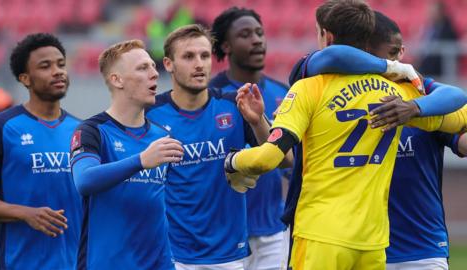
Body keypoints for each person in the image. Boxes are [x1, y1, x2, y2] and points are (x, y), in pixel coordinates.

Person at [223, 1, 466, 269]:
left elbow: (268, 158)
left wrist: (234, 162)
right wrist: (415, 104)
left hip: (319, 235)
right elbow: (460, 110)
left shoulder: (308, 88)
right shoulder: (401, 94)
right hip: (372, 243)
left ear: (326, 36)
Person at [146, 24, 289, 270]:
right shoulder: (150, 114)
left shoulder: (233, 104)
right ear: (168, 64)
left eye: (204, 55)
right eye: (188, 57)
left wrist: (257, 122)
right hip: (173, 254)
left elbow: (282, 158)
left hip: (230, 253)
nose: (199, 64)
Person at [70, 40, 183, 269]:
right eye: (142, 68)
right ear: (117, 79)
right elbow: (84, 180)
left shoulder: (162, 137)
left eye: (153, 66)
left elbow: (166, 206)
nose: (153, 73)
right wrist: (141, 160)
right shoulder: (92, 131)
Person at [0, 33, 82, 269]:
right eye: (45, 66)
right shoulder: (0, 128)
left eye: (61, 64)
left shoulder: (83, 131)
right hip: (20, 263)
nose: (58, 71)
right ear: (25, 78)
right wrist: (25, 213)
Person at [210, 7, 289, 270]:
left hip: (272, 230)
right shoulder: (210, 97)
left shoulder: (285, 93)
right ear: (226, 46)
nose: (257, 40)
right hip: (222, 232)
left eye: (260, 33)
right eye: (245, 34)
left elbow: (292, 161)